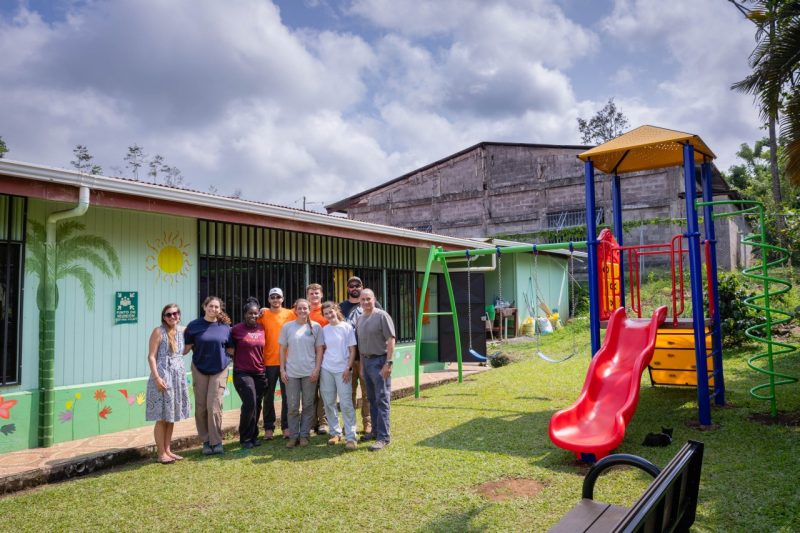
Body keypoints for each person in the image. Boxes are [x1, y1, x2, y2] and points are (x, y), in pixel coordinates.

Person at [184, 296, 232, 455]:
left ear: (220, 309)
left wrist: (230, 361)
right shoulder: (194, 326)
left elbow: (231, 349)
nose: (213, 309)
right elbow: (186, 348)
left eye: (216, 307)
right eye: (210, 306)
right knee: (201, 407)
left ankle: (216, 441)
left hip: (219, 369)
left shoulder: (225, 326)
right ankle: (206, 441)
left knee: (214, 406)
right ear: (204, 307)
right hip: (199, 369)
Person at [145, 303, 191, 464]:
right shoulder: (159, 332)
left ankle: (168, 450)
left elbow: (183, 351)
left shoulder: (183, 331)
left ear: (179, 315)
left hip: (177, 377)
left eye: (175, 313)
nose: (173, 316)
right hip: (163, 377)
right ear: (163, 317)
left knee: (170, 416)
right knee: (162, 417)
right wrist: (157, 378)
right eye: (169, 314)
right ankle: (161, 453)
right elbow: (151, 356)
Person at [280, 298, 324, 448]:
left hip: (309, 373)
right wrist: (282, 369)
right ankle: (293, 436)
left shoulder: (316, 327)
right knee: (292, 406)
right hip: (291, 373)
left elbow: (319, 350)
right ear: (295, 309)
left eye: (305, 308)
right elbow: (282, 349)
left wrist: (317, 369)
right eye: (300, 308)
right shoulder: (287, 327)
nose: (302, 311)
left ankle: (304, 435)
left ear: (309, 310)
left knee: (308, 405)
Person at [356, 288, 396, 452]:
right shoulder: (360, 318)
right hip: (366, 362)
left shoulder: (382, 316)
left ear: (374, 299)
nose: (366, 302)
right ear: (360, 301)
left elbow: (391, 339)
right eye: (363, 299)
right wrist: (362, 366)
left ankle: (383, 437)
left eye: (368, 299)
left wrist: (389, 363)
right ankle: (374, 432)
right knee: (371, 399)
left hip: (380, 362)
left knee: (382, 399)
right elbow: (360, 343)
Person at [319, 301, 358, 451]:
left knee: (346, 403)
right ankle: (335, 433)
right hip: (327, 369)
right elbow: (323, 349)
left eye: (331, 312)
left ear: (336, 310)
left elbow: (352, 350)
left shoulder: (347, 327)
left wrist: (348, 368)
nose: (329, 315)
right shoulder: (324, 330)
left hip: (343, 371)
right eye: (326, 313)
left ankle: (351, 436)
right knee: (329, 402)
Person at [228, 298, 266, 449]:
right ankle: (245, 437)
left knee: (257, 404)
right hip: (242, 372)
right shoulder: (236, 329)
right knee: (250, 401)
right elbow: (228, 348)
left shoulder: (262, 328)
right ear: (245, 314)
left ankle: (254, 434)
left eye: (256, 313)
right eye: (250, 313)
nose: (253, 316)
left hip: (260, 372)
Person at [258, 287, 295, 440]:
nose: (275, 299)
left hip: (287, 362)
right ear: (268, 300)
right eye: (272, 297)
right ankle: (268, 428)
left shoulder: (290, 314)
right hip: (268, 361)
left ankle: (286, 427)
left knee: (288, 396)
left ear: (282, 299)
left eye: (278, 297)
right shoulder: (263, 314)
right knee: (268, 397)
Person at [339, 276, 372, 438]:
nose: (354, 288)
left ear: (362, 286)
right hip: (348, 359)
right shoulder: (340, 307)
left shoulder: (370, 304)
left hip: (367, 357)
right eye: (351, 285)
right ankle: (349, 424)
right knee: (348, 393)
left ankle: (368, 423)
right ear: (347, 288)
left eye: (357, 285)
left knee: (367, 393)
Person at [305, 283, 329, 435]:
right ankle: (311, 422)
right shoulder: (301, 311)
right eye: (311, 293)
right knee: (310, 393)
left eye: (316, 293)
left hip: (326, 358)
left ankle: (324, 423)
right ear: (307, 296)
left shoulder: (326, 311)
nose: (314, 296)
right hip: (307, 358)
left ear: (322, 295)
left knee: (325, 392)